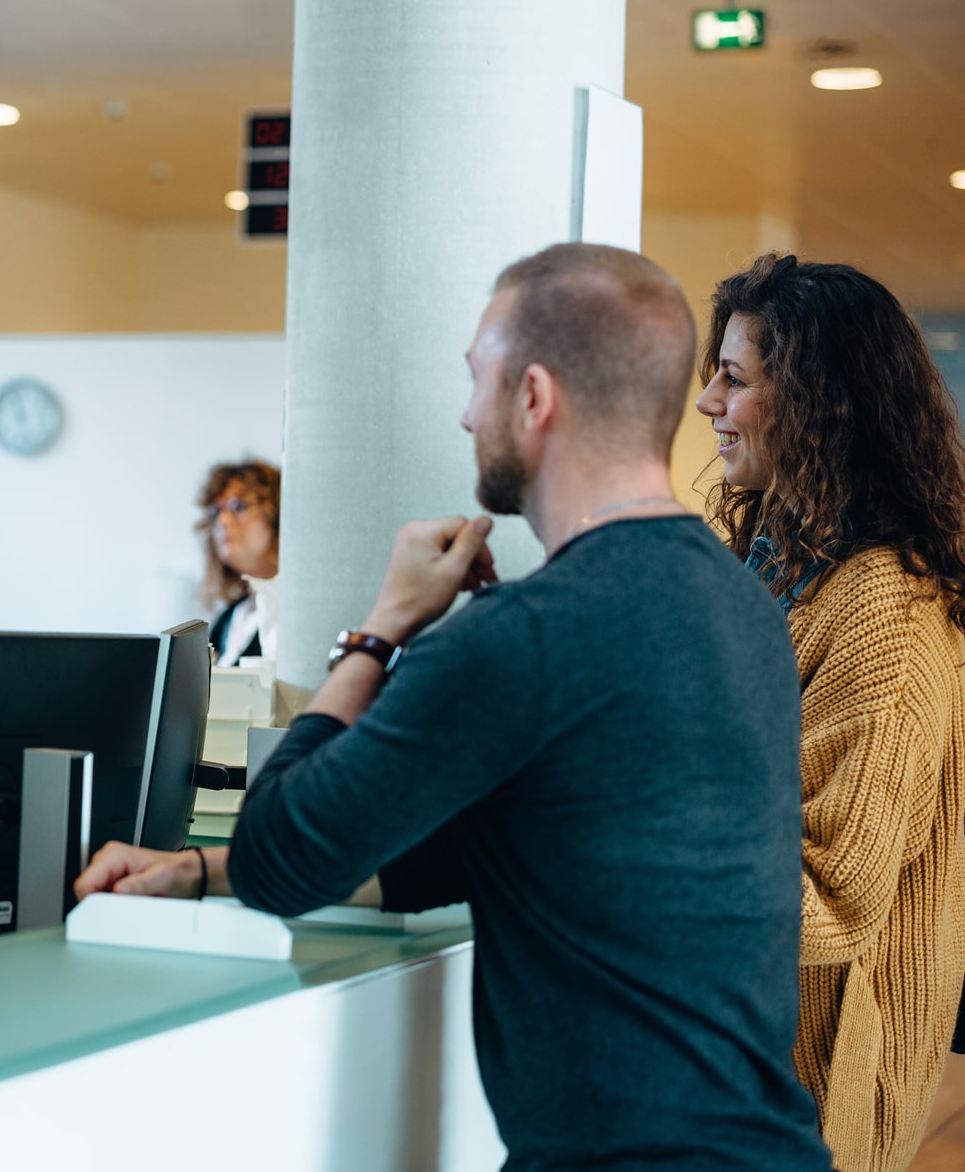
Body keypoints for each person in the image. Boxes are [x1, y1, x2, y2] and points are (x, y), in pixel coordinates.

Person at [76, 243, 831, 1171]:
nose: (465, 412)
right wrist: (195, 871)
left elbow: (283, 857)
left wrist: (382, 628)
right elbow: (445, 857)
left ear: (534, 398)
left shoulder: (526, 635)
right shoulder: (741, 607)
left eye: (478, 378)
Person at [695, 254, 965, 1172]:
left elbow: (828, 903)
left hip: (812, 1096)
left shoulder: (883, 609)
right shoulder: (782, 565)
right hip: (739, 1063)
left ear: (818, 400)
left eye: (735, 378)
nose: (708, 403)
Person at [199, 459, 282, 664]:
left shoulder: (297, 614)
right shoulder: (226, 619)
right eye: (215, 512)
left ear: (278, 514)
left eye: (238, 506)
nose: (222, 521)